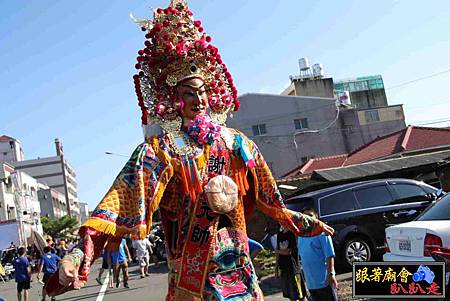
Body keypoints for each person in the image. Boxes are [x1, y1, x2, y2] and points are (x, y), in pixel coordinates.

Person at [47, 1, 334, 300]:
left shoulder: (237, 143)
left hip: (239, 270)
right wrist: (77, 255)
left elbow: (270, 199)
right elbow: (119, 204)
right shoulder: (160, 151)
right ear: (173, 99)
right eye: (188, 94)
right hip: (193, 281)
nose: (198, 100)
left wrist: (304, 223)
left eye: (202, 92)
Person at [298, 207, 339, 301]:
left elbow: (329, 255)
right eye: (305, 216)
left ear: (316, 217)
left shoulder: (323, 233)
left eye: (310, 216)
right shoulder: (301, 235)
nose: (308, 218)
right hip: (311, 284)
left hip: (325, 281)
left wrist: (331, 274)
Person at [276, 226, 308, 301]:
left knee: (301, 295)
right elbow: (278, 254)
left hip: (294, 270)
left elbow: (289, 251)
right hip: (284, 269)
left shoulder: (292, 234)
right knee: (291, 295)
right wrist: (276, 268)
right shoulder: (279, 235)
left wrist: (277, 251)